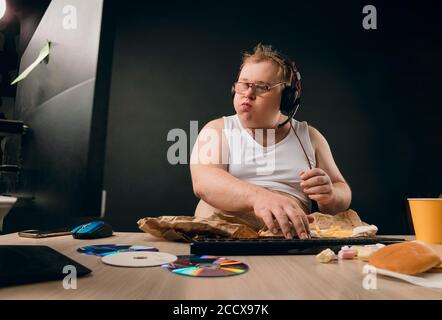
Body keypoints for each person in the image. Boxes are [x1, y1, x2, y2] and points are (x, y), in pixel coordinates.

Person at [190, 44, 351, 240]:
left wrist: (331, 195)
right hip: (220, 240)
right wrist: (260, 197)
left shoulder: (309, 137)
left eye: (262, 87)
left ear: (286, 98)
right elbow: (203, 181)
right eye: (244, 84)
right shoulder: (217, 130)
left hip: (286, 245)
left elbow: (342, 189)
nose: (248, 94)